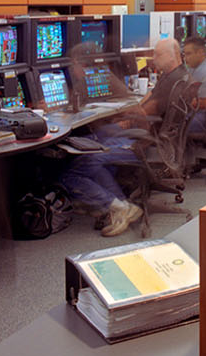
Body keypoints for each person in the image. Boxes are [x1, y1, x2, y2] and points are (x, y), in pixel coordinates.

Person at [58, 38, 185, 237]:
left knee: (79, 164)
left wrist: (122, 121)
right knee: (90, 158)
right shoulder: (175, 78)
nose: (152, 59)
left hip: (139, 143)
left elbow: (141, 113)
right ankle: (116, 204)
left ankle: (115, 205)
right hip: (149, 141)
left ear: (79, 64)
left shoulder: (96, 79)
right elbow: (137, 107)